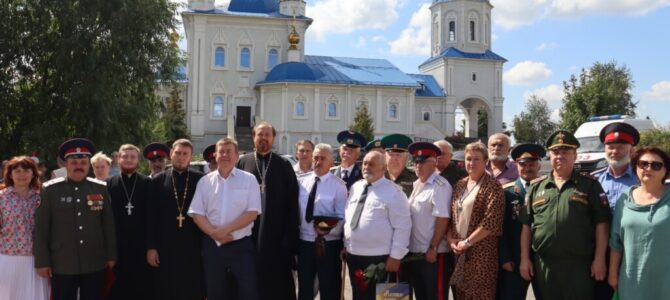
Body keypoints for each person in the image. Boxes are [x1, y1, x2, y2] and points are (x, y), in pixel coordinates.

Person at [519, 130, 611, 300]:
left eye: (565, 151)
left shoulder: (590, 185)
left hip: (579, 266)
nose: (560, 156)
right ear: (549, 156)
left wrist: (599, 259)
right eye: (555, 152)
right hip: (544, 265)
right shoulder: (536, 187)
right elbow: (526, 225)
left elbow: (602, 223)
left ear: (575, 155)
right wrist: (525, 259)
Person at [34, 138, 117, 300]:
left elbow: (108, 224)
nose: (79, 166)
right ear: (66, 164)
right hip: (62, 262)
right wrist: (42, 261)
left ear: (88, 165)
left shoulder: (100, 188)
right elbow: (42, 228)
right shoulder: (50, 189)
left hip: (94, 260)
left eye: (83, 162)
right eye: (73, 162)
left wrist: (111, 255)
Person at [189, 138, 262, 300]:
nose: (225, 155)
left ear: (237, 156)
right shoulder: (205, 181)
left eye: (229, 151)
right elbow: (197, 214)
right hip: (213, 247)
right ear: (215, 155)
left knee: (248, 291)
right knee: (215, 292)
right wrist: (214, 234)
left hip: (241, 246)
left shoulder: (249, 180)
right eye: (221, 151)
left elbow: (252, 213)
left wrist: (224, 231)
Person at [236, 121, 300, 300]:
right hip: (249, 235)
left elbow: (292, 204)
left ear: (273, 138)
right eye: (260, 134)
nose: (263, 138)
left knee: (277, 285)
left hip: (277, 236)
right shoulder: (243, 162)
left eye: (267, 135)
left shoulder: (284, 165)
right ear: (253, 137)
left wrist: (289, 238)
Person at [343, 151, 411, 300]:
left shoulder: (394, 192)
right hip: (355, 256)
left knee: (389, 298)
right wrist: (346, 243)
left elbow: (403, 226)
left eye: (372, 164)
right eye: (365, 163)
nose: (366, 167)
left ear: (383, 168)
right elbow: (348, 218)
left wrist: (395, 256)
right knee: (359, 296)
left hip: (383, 259)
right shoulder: (356, 187)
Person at [147, 139, 205, 300]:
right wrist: (151, 247)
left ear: (191, 157)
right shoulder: (158, 181)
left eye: (185, 154)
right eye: (177, 153)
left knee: (191, 288)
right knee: (165, 288)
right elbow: (151, 216)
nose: (180, 157)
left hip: (192, 245)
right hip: (165, 246)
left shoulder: (201, 180)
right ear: (171, 154)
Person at [608, 146, 670, 299]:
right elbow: (616, 242)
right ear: (636, 167)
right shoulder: (625, 198)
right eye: (643, 164)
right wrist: (612, 273)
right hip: (631, 280)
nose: (648, 168)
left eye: (656, 165)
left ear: (665, 171)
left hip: (665, 281)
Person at [446, 141, 504, 299]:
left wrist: (467, 242)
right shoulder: (459, 185)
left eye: (476, 159)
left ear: (486, 161)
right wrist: (451, 241)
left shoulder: (493, 185)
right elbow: (451, 218)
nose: (471, 163)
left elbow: (491, 221)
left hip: (481, 257)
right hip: (459, 255)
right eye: (468, 159)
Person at [590, 122, 640, 300]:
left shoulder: (642, 180)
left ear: (632, 150)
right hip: (600, 253)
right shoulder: (594, 180)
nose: (615, 151)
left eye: (621, 147)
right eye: (610, 147)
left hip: (631, 252)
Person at [297, 143, 347, 300]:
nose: (318, 161)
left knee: (329, 288)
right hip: (304, 243)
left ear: (332, 162)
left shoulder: (339, 186)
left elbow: (341, 215)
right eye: (316, 158)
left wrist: (324, 229)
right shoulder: (301, 182)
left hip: (328, 245)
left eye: (322, 158)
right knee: (305, 288)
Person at [497, 143, 545, 300]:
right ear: (516, 165)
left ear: (539, 165)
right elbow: (499, 228)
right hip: (514, 260)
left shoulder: (548, 190)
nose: (527, 168)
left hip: (542, 260)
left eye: (532, 164)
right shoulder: (507, 192)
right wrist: (505, 257)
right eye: (523, 164)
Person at [405, 142, 453, 300]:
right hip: (416, 253)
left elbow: (443, 218)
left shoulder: (440, 185)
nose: (418, 165)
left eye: (422, 161)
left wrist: (433, 247)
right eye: (415, 161)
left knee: (435, 296)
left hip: (433, 255)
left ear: (434, 162)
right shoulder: (417, 185)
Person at [106, 144, 153, 300]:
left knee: (141, 289)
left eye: (132, 157)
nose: (128, 160)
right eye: (124, 156)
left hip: (141, 247)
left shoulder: (147, 183)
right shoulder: (108, 184)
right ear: (118, 159)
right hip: (117, 248)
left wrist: (151, 247)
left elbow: (152, 218)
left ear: (138, 160)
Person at [0, 156, 50, 300]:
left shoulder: (42, 197)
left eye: (26, 170)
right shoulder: (2, 198)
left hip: (37, 262)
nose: (22, 174)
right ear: (9, 174)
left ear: (34, 173)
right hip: (8, 259)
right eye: (17, 171)